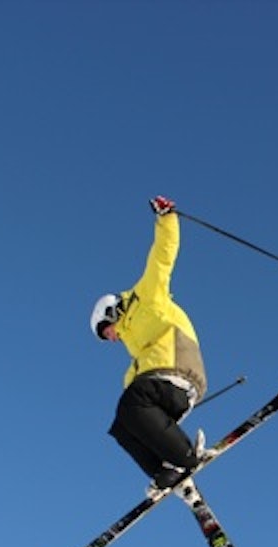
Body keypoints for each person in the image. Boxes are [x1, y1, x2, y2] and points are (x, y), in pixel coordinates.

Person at [90, 195, 211, 492]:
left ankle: (184, 456)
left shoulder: (146, 295)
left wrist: (167, 218)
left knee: (133, 401)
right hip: (160, 387)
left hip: (179, 367)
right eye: (106, 337)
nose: (111, 337)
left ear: (111, 311)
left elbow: (163, 255)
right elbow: (134, 378)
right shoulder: (135, 345)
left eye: (107, 330)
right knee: (121, 425)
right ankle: (164, 473)